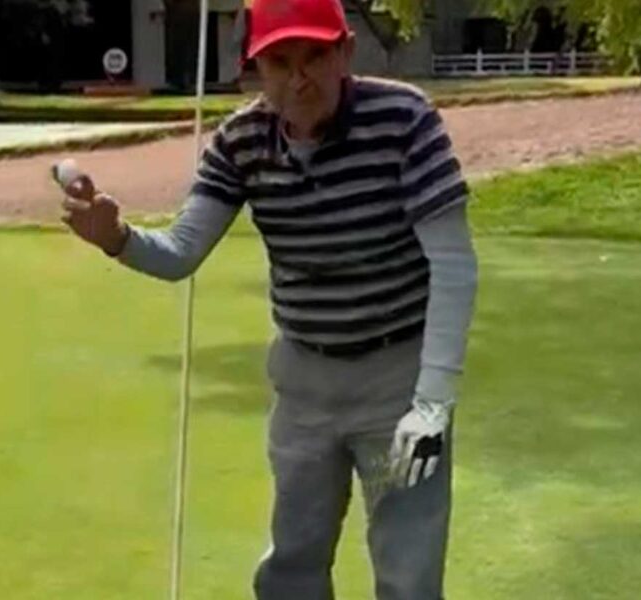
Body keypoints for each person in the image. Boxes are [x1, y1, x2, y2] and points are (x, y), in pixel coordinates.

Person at [54, 0, 478, 597]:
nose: (299, 77)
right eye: (280, 61)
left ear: (346, 52)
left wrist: (433, 401)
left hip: (399, 378)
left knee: (408, 572)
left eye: (316, 56)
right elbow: (180, 253)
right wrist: (116, 239)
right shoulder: (241, 141)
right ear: (255, 67)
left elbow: (453, 263)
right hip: (304, 381)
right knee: (293, 564)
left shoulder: (404, 119)